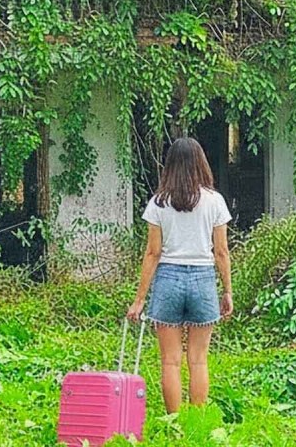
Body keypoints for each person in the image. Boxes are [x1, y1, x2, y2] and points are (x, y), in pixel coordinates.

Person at [126, 136, 234, 414]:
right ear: (201, 163)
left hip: (168, 281)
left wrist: (139, 300)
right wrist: (227, 291)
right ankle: (195, 423)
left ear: (170, 165)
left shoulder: (159, 202)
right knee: (198, 360)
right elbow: (221, 251)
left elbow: (152, 253)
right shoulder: (215, 201)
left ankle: (173, 423)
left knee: (170, 361)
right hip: (203, 279)